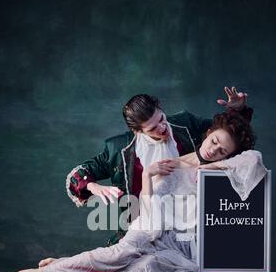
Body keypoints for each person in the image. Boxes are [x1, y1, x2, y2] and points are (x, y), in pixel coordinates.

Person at [8, 109, 267, 272]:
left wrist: (209, 165)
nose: (214, 150)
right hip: (149, 221)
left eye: (222, 151)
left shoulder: (202, 145)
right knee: (119, 255)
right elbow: (146, 205)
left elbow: (253, 159)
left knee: (139, 265)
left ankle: (65, 263)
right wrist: (144, 177)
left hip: (179, 238)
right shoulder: (162, 159)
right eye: (213, 143)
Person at [67, 87, 252, 245]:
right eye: (153, 128)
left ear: (161, 109)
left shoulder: (185, 124)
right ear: (137, 131)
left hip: (189, 231)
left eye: (161, 119)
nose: (162, 127)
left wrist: (238, 112)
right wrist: (93, 186)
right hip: (140, 231)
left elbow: (227, 137)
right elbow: (80, 174)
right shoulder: (117, 148)